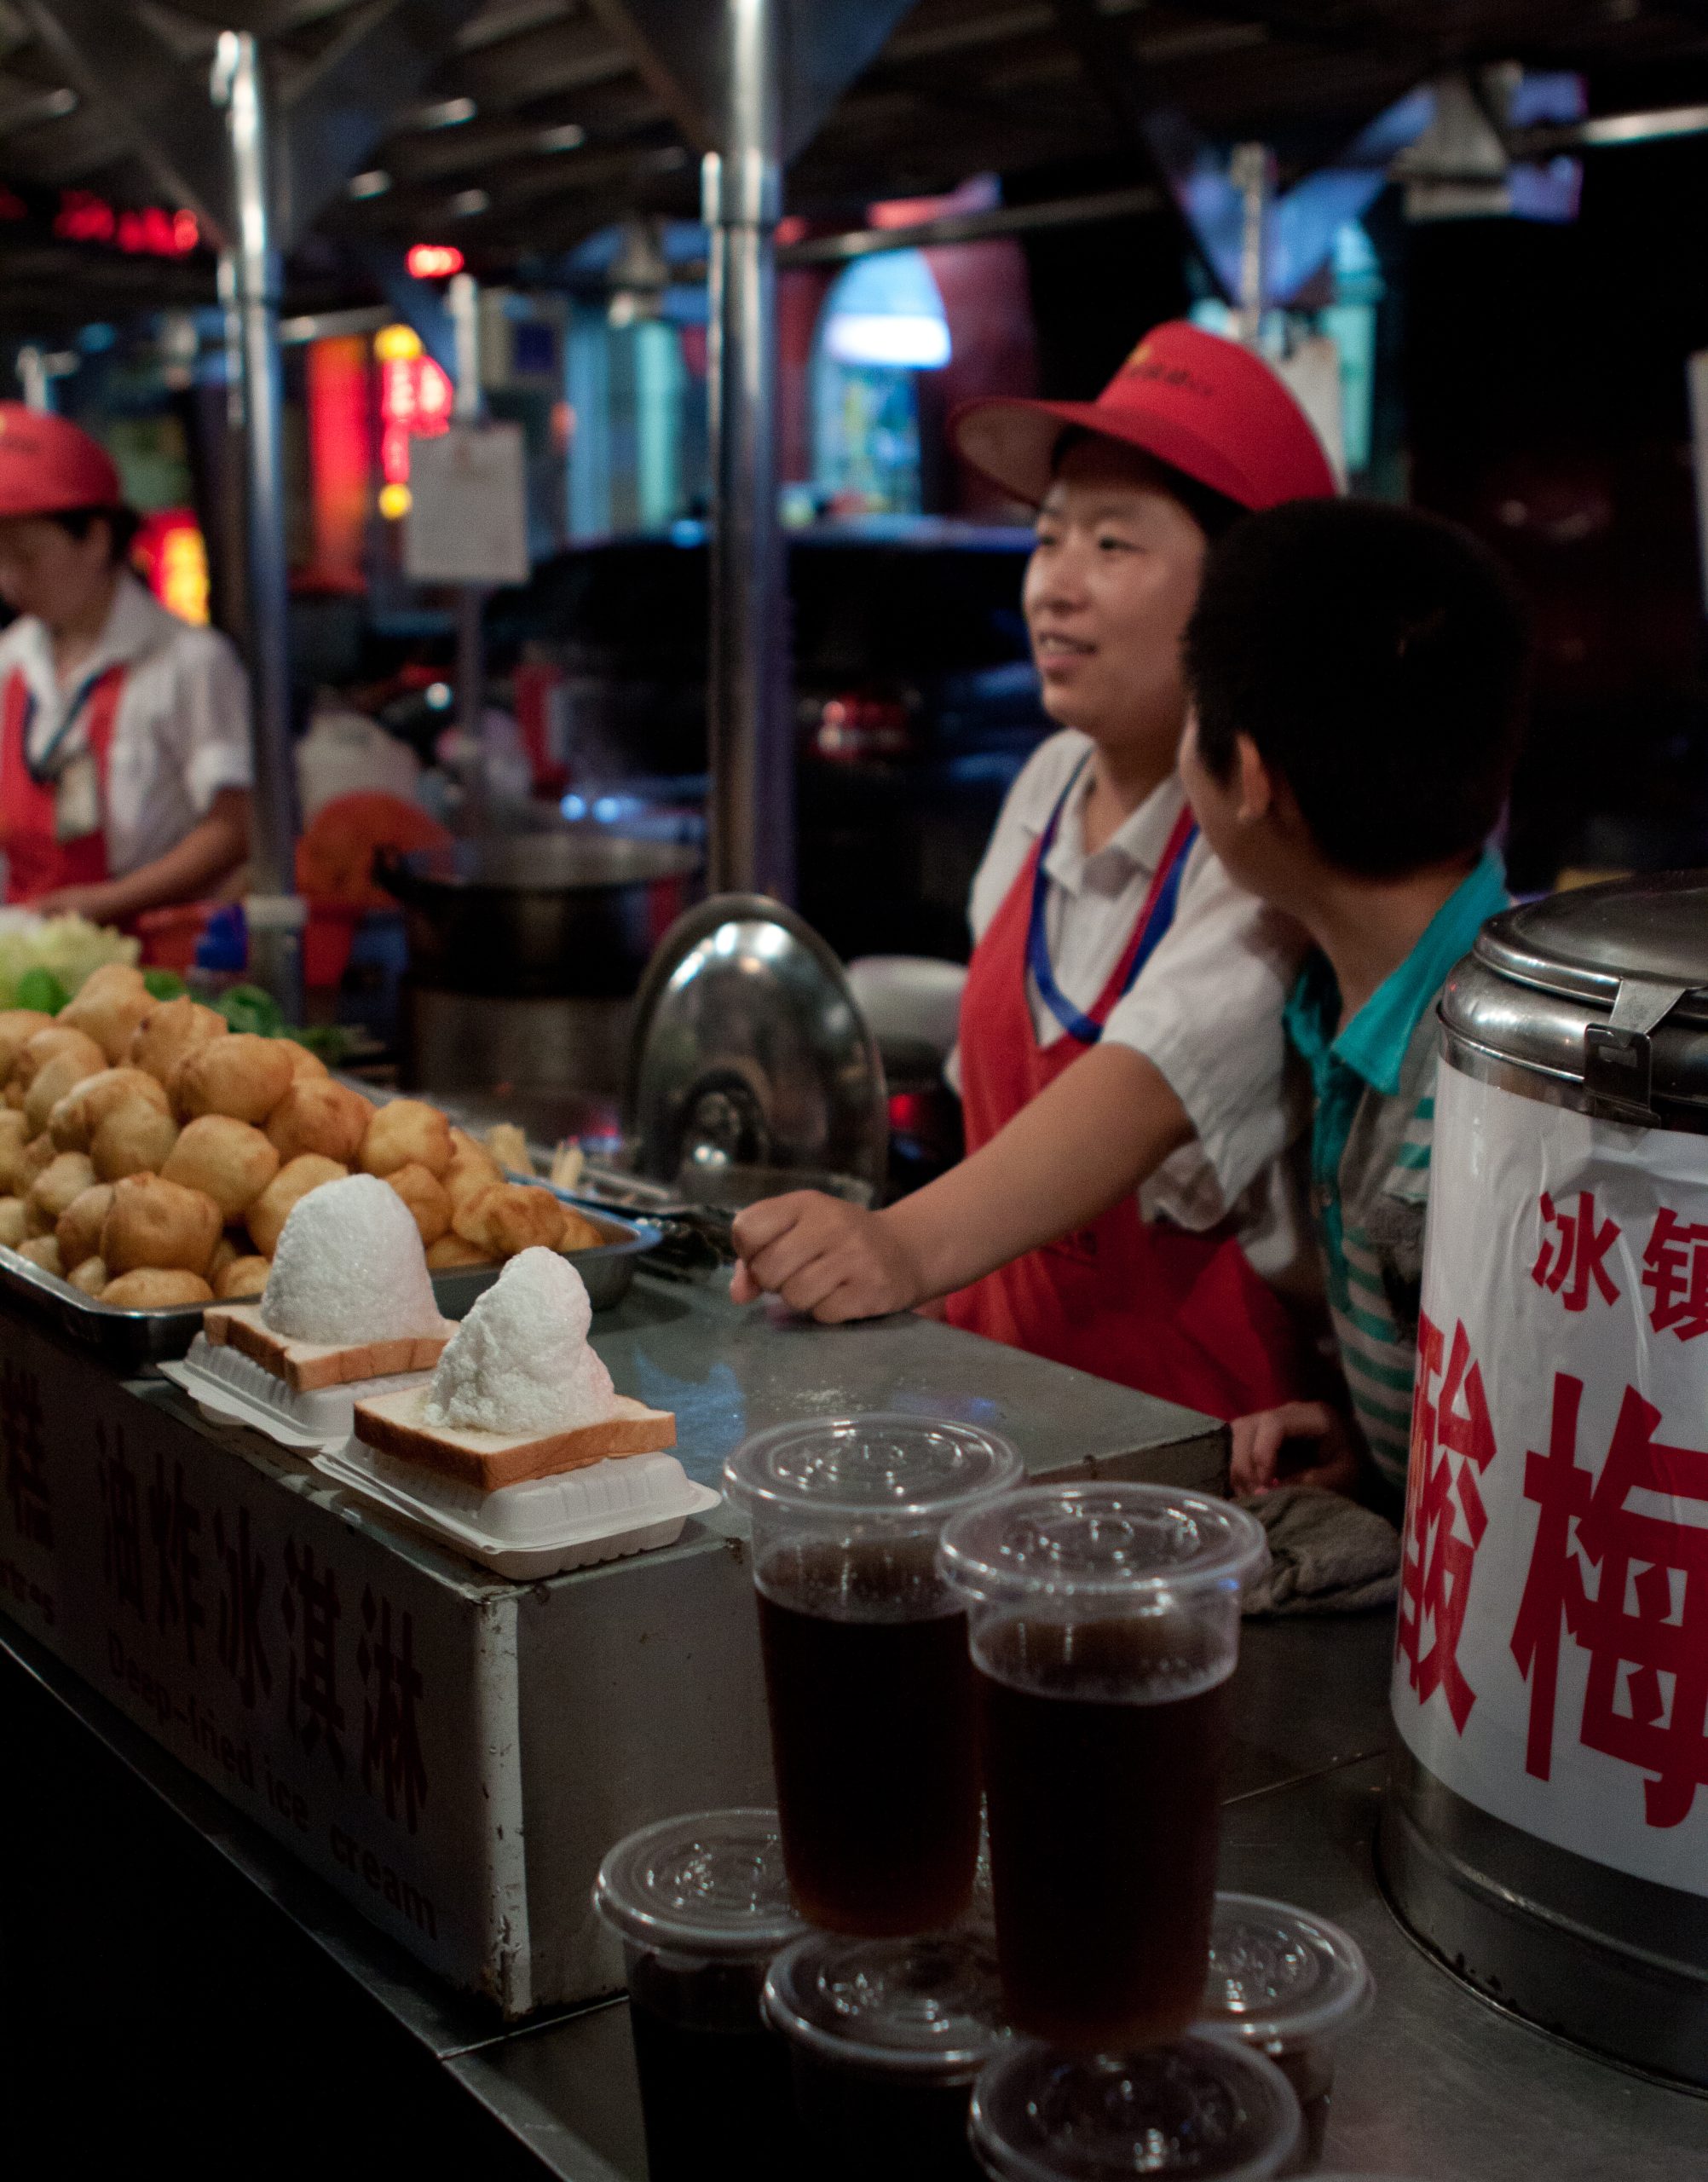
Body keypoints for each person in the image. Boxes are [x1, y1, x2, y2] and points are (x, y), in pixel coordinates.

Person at [731, 321, 1337, 1420]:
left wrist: (897, 1245)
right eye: (1049, 537)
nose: (1055, 586)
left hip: (1190, 1444)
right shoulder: (1046, 783)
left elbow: (1150, 1081)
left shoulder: (1264, 841)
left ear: (1246, 595)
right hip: (1006, 1402)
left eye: (1113, 546)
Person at [1178, 497, 1529, 1504]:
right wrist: (1377, 1449)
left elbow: (1518, 1493)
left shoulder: (1470, 1116)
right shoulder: (1352, 1009)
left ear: (1248, 775)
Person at [0, 405, 252, 921]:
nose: (8, 579)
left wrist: (104, 905)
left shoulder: (191, 662)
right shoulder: (10, 659)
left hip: (154, 959)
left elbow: (233, 830)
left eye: (25, 556)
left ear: (95, 538)